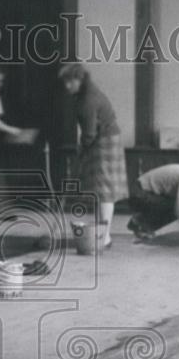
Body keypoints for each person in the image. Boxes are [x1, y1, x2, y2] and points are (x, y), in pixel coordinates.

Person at [58, 62, 128, 248]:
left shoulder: (88, 100)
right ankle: (101, 234)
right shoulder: (85, 94)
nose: (67, 86)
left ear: (79, 80)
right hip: (104, 140)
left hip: (105, 143)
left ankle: (104, 238)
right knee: (101, 191)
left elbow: (89, 134)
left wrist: (82, 150)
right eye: (65, 82)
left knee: (105, 192)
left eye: (70, 82)